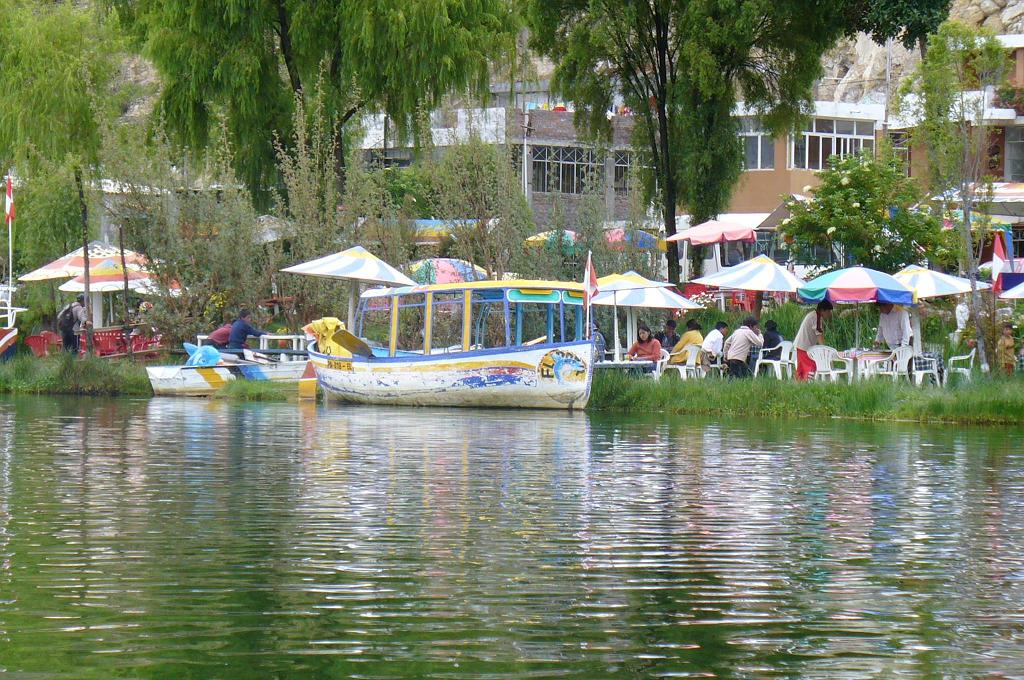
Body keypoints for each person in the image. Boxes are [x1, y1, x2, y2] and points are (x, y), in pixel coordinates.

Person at [794, 300, 833, 381]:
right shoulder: (816, 317)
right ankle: (808, 383)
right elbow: (819, 334)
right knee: (810, 365)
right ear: (822, 310)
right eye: (828, 311)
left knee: (802, 367)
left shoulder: (813, 314)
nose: (830, 314)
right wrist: (824, 350)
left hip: (801, 345)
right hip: (805, 346)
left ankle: (800, 383)